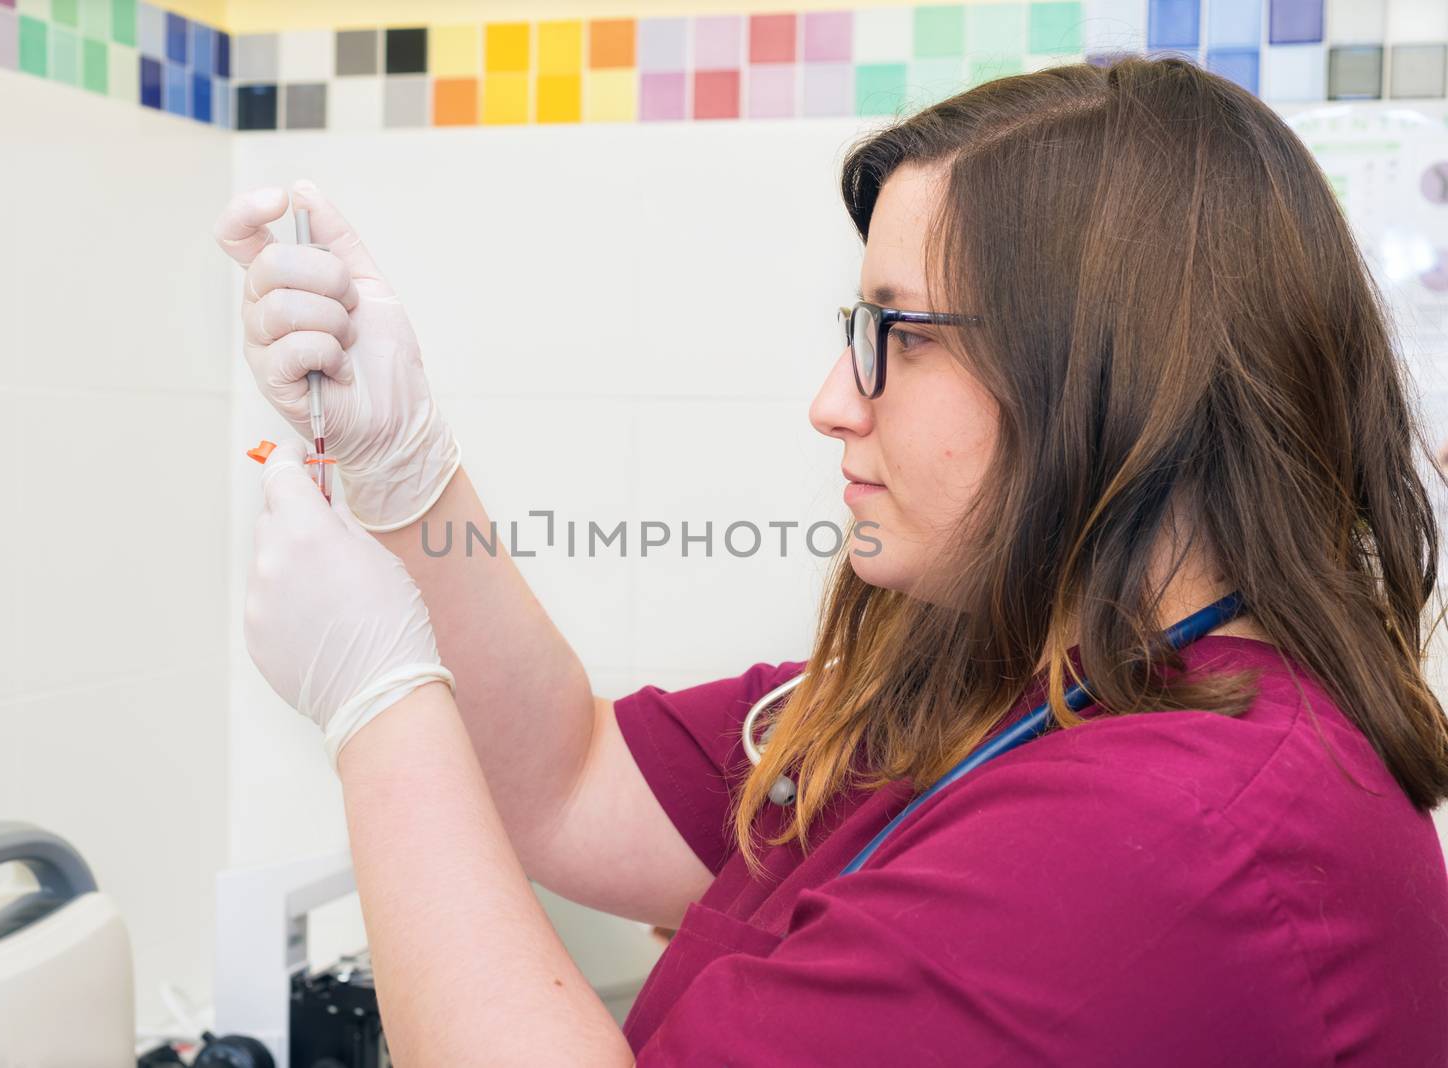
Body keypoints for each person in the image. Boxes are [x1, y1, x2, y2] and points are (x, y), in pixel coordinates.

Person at [212, 56, 1448, 1065]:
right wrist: (405, 473)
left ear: (1114, 378)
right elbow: (572, 779)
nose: (831, 403)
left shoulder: (1165, 841)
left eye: (894, 338)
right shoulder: (1015, 678)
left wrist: (379, 705)